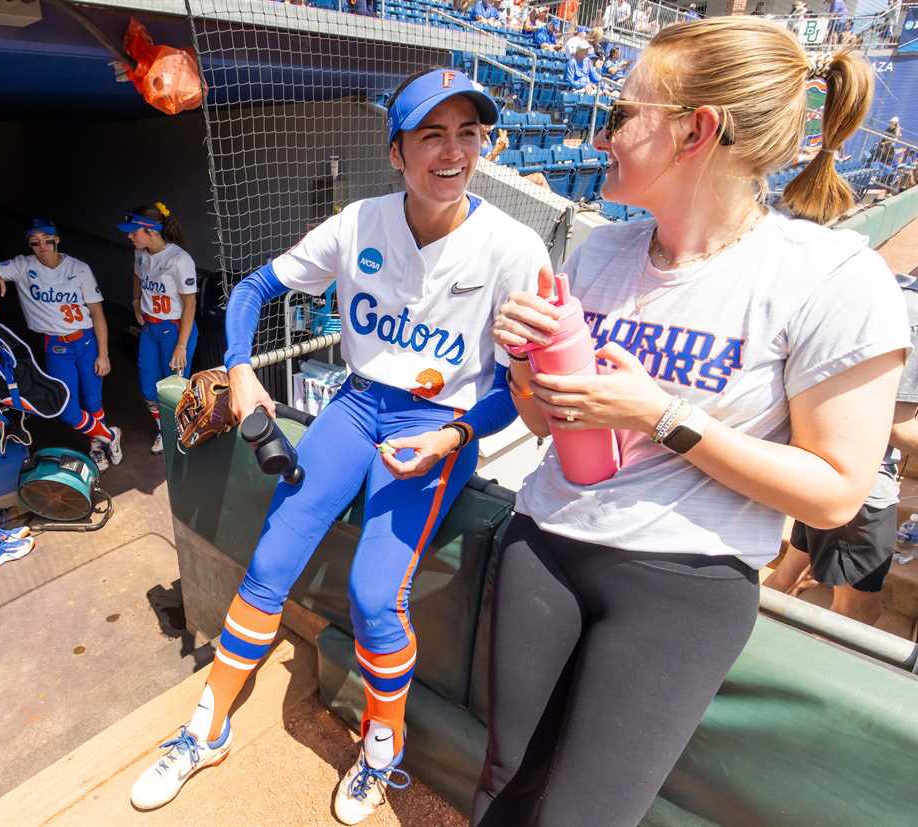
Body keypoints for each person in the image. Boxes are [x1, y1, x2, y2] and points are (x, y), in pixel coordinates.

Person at [472, 18, 908, 826]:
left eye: (620, 115)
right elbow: (542, 421)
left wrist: (665, 414)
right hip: (548, 539)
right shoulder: (600, 251)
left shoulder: (829, 276)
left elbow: (837, 496)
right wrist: (527, 364)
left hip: (684, 581)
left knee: (583, 816)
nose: (602, 134)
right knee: (503, 780)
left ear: (696, 131)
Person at [129, 67, 549, 824]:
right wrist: (240, 372)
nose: (452, 152)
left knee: (372, 595)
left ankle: (382, 747)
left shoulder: (514, 248)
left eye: (469, 133)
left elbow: (515, 393)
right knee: (270, 561)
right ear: (396, 152)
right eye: (432, 135)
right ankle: (207, 726)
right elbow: (254, 289)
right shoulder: (359, 221)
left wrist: (453, 436)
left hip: (438, 425)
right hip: (357, 407)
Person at [764, 274, 918, 625]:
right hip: (857, 484)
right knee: (858, 613)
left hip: (822, 459)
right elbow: (896, 425)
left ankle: (741, 647)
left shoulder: (886, 287)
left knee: (789, 573)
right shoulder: (912, 313)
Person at [0, 219, 123, 470]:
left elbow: (97, 313)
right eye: (34, 243)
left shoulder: (79, 268)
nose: (42, 247)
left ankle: (96, 446)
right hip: (57, 348)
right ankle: (110, 436)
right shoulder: (23, 266)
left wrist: (104, 354)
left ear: (57, 239)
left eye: (47, 240)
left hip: (86, 341)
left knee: (93, 401)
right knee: (65, 409)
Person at [122, 203, 198, 455]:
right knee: (148, 387)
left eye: (134, 231)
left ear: (151, 231)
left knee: (174, 389)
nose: (129, 236)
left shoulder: (179, 259)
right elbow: (136, 276)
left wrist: (181, 345)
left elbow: (190, 304)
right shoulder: (141, 254)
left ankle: (183, 432)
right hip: (151, 329)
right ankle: (165, 429)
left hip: (176, 330)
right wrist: (135, 302)